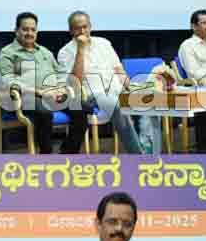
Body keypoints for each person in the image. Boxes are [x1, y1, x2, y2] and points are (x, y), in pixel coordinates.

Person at [0, 12, 88, 154]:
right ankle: (46, 155)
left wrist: (61, 89)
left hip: (53, 95)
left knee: (83, 108)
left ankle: (68, 152)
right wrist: (40, 92)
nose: (29, 33)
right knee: (44, 112)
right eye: (25, 29)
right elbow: (9, 82)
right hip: (28, 97)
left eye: (33, 29)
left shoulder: (45, 52)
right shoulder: (7, 53)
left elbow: (60, 75)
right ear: (16, 31)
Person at [57, 11, 145, 153]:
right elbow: (74, 83)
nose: (82, 31)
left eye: (85, 27)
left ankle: (148, 147)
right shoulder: (65, 52)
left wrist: (131, 88)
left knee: (148, 101)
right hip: (93, 95)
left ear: (90, 26)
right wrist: (80, 50)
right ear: (71, 30)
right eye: (77, 28)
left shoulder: (104, 43)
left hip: (116, 89)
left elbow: (118, 69)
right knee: (116, 106)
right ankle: (139, 156)